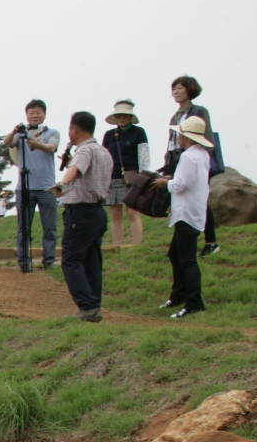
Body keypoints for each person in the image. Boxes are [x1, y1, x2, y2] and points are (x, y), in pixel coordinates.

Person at [53, 112, 114, 322]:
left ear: (74, 129)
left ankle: (87, 305)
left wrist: (62, 184)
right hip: (98, 211)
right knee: (92, 261)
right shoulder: (103, 151)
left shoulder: (84, 150)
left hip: (80, 211)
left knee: (70, 260)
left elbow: (76, 169)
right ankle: (94, 304)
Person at [152, 116, 212, 318]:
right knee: (175, 255)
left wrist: (164, 183)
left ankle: (194, 302)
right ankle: (178, 296)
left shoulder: (188, 156)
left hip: (186, 212)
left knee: (187, 260)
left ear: (186, 136)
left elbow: (180, 185)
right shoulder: (202, 154)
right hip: (194, 211)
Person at [166, 76, 224, 255]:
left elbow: (206, 136)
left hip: (194, 158)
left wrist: (203, 158)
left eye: (179, 88)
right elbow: (171, 141)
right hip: (177, 159)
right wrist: (167, 164)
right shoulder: (175, 116)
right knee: (181, 200)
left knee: (200, 200)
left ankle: (211, 241)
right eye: (173, 88)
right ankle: (178, 245)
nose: (175, 92)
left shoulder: (199, 111)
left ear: (189, 89)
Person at [9, 99, 59, 271]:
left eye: (38, 112)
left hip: (47, 187)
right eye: (31, 112)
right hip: (24, 187)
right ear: (26, 115)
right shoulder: (21, 134)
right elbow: (8, 143)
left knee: (50, 227)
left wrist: (38, 145)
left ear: (44, 114)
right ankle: (24, 260)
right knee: (24, 227)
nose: (35, 115)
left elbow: (52, 148)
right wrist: (15, 131)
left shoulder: (52, 132)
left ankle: (49, 260)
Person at [101, 101, 151, 247]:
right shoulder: (109, 135)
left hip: (133, 178)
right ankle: (117, 245)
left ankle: (137, 245)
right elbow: (105, 157)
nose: (122, 118)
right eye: (118, 115)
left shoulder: (139, 132)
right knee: (116, 214)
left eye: (125, 115)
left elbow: (144, 156)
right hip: (113, 176)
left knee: (133, 213)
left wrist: (143, 177)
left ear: (130, 116)